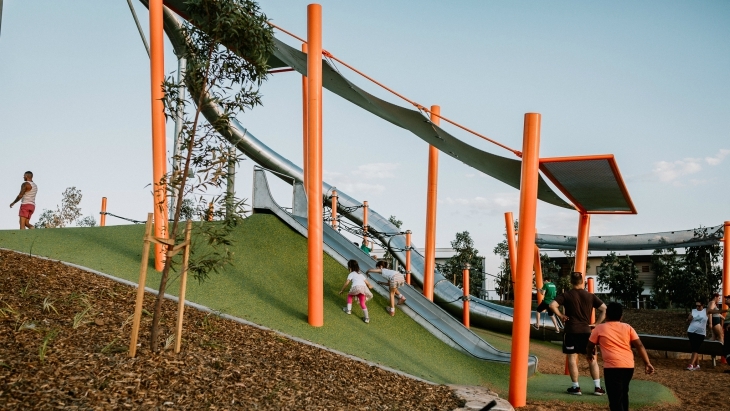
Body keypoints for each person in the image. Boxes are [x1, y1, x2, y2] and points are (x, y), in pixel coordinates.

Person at [586, 302, 655, 411]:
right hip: (628, 366)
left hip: (612, 367)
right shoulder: (628, 327)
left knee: (615, 398)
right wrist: (647, 363)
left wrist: (589, 354)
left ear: (606, 315)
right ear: (621, 316)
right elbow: (639, 345)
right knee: (623, 393)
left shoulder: (599, 328)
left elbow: (590, 345)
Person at [549, 271, 607, 396]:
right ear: (583, 282)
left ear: (571, 282)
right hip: (586, 332)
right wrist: (597, 323)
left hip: (571, 331)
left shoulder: (566, 295)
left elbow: (552, 305)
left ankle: (576, 387)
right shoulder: (590, 296)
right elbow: (604, 309)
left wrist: (561, 315)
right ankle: (597, 388)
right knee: (592, 359)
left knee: (572, 358)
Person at [339, 259, 374, 324]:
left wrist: (342, 290)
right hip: (363, 288)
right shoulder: (361, 275)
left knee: (350, 295)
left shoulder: (351, 274)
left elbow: (347, 283)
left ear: (350, 267)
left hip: (356, 287)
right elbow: (368, 284)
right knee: (362, 302)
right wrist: (370, 286)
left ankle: (348, 310)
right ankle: (367, 318)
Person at [686, 300, 708, 370]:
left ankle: (691, 364)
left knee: (695, 348)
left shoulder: (706, 311)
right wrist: (688, 319)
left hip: (701, 333)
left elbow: (715, 312)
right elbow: (688, 320)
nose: (697, 307)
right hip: (691, 331)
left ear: (703, 305)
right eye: (696, 306)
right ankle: (697, 365)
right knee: (694, 348)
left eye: (699, 306)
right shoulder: (693, 311)